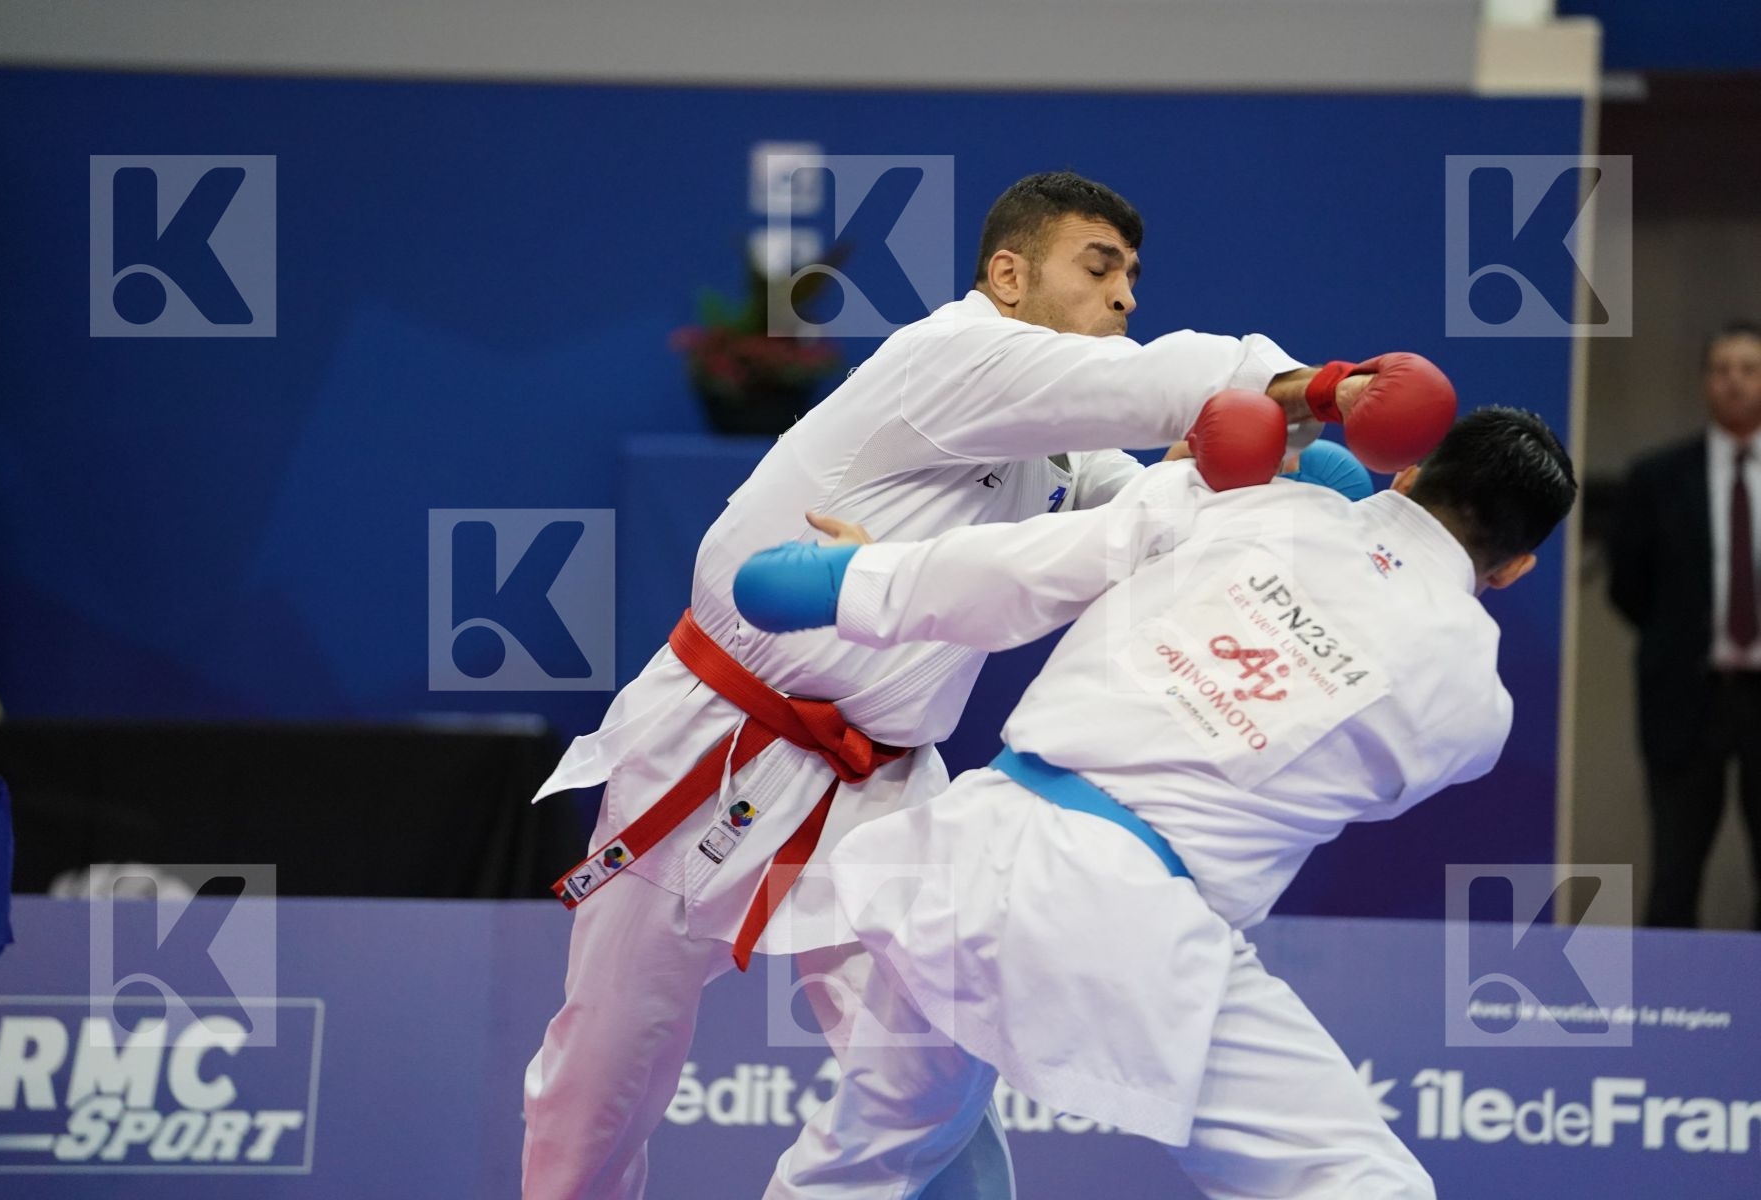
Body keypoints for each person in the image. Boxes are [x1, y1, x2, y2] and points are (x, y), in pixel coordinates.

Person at [520, 170, 1454, 1199]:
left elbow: (1153, 519)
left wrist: (1298, 488)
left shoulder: (1062, 440)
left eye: (1135, 276)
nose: (1126, 296)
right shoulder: (950, 356)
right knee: (607, 1066)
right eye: (1100, 268)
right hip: (711, 748)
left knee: (934, 1077)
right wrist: (1325, 388)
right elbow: (1163, 386)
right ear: (1009, 275)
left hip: (878, 789)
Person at [735, 406, 1576, 1199]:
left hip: (975, 843)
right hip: (1122, 917)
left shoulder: (1250, 507)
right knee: (1354, 1179)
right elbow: (1381, 778)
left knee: (868, 1148)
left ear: (1410, 474)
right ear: (1515, 567)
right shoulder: (1473, 701)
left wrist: (861, 577)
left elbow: (1028, 565)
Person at [1610, 320, 1761, 929]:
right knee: (1674, 872)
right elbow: (1629, 588)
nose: (1735, 382)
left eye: (1749, 369)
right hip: (1686, 697)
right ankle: (1663, 1012)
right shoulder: (1657, 477)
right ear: (1705, 382)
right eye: (1722, 369)